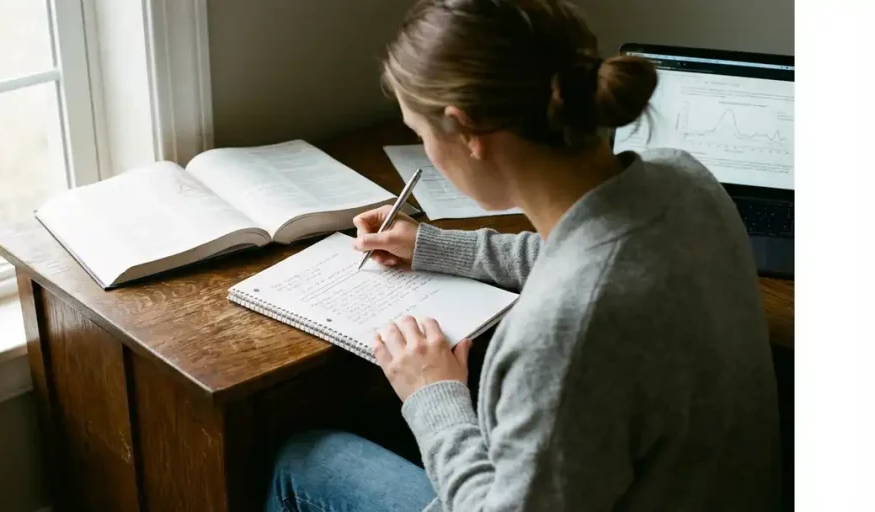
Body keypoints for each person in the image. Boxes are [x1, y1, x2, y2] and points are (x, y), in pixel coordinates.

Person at [265, 0, 781, 510]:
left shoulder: (562, 333)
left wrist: (432, 394)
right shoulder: (682, 178)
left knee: (305, 460)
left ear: (467, 131)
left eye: (420, 134)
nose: (426, 150)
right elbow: (585, 252)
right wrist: (431, 245)